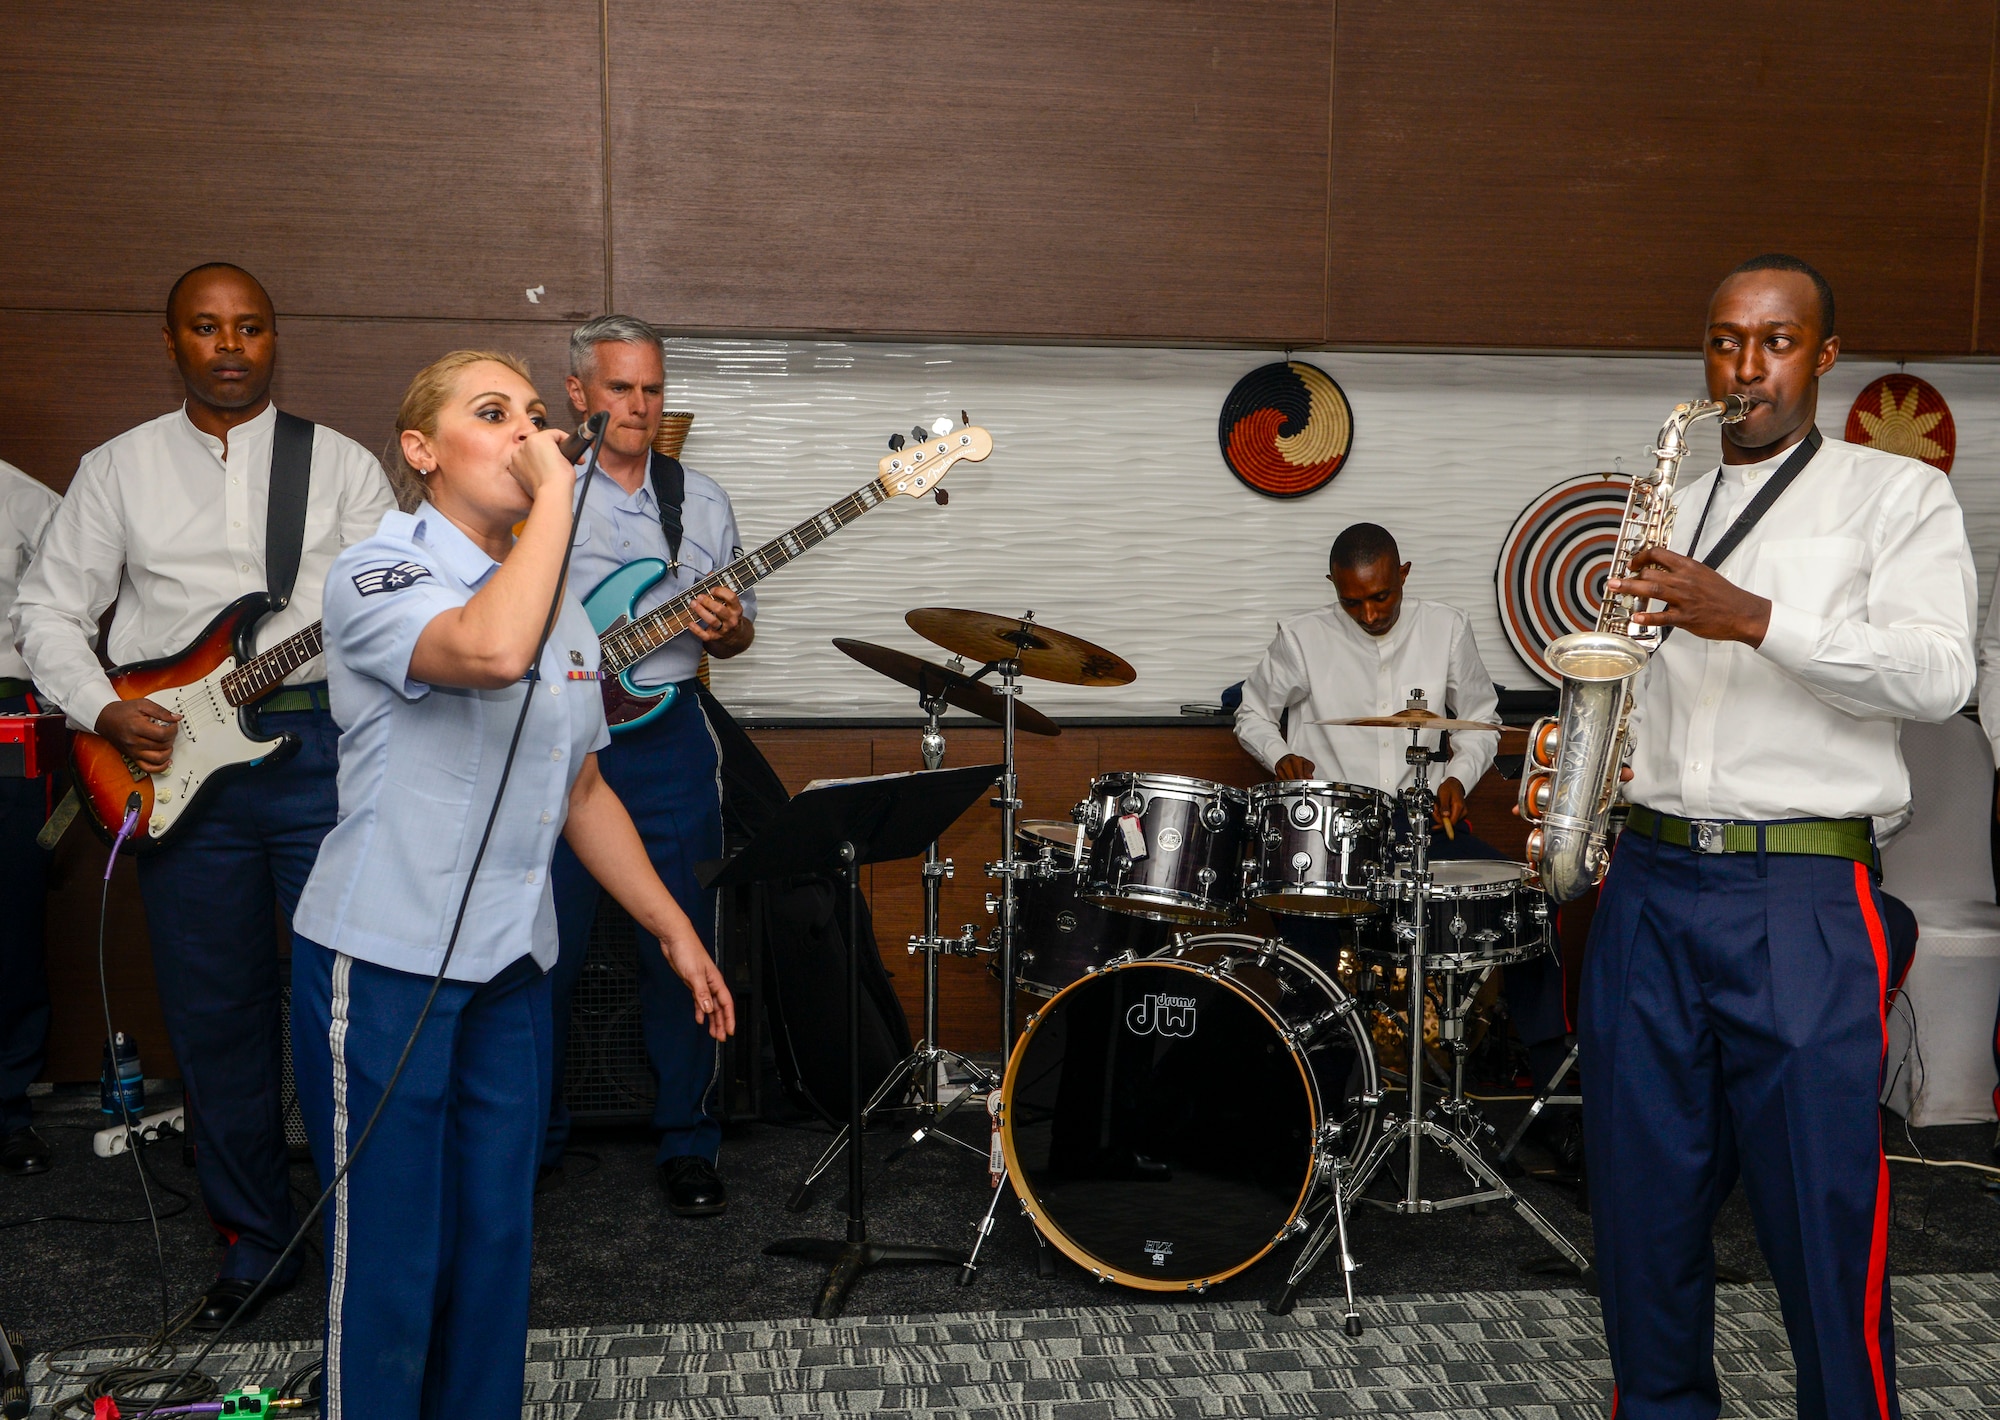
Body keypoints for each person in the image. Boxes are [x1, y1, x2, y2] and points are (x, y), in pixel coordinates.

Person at [289, 350, 733, 1419]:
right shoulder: (375, 571)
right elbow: (486, 654)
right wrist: (559, 499)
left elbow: (579, 784)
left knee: (495, 1243)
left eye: (538, 417)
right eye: (494, 416)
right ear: (421, 450)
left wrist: (674, 928)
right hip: (385, 960)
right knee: (393, 1252)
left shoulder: (561, 609)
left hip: (509, 963)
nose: (531, 435)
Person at [1589, 254, 1976, 1419]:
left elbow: (1936, 674)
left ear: (1822, 353)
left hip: (1798, 890)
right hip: (1648, 883)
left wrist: (1749, 615)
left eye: (1772, 342)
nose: (1743, 367)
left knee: (1818, 1218)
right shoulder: (1669, 507)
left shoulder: (1895, 498)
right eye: (1722, 342)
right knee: (1640, 1217)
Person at [11, 263, 395, 1327]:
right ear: (172, 339)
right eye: (206, 327)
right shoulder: (118, 468)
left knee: (350, 1008)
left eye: (251, 327)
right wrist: (100, 709)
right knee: (215, 1014)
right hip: (169, 762)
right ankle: (253, 1246)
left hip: (319, 753)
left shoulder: (343, 467)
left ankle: (369, 1231)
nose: (230, 345)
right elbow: (46, 611)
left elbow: (384, 614)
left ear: (276, 339)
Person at [1233, 523, 1575, 1104]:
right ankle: (1313, 1113)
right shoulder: (1300, 638)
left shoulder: (1445, 628)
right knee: (1305, 958)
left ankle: (1560, 1100)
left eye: (1380, 597)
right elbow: (1250, 715)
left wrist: (1456, 778)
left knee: (1525, 908)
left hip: (1422, 824)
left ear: (1404, 575)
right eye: (1352, 601)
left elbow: (1482, 719)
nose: (1367, 614)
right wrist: (1279, 753)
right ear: (1333, 588)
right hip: (1331, 834)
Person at [543, 315, 753, 1216]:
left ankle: (689, 1140)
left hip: (666, 739)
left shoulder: (698, 500)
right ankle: (532, 1141)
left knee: (684, 942)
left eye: (653, 388)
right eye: (621, 387)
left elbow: (741, 635)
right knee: (537, 951)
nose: (639, 405)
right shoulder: (538, 490)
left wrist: (727, 627)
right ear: (580, 394)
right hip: (552, 739)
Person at [0, 458, 60, 1177]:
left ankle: (9, 1110)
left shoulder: (20, 494)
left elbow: (78, 596)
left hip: (10, 724)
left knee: (12, 919)